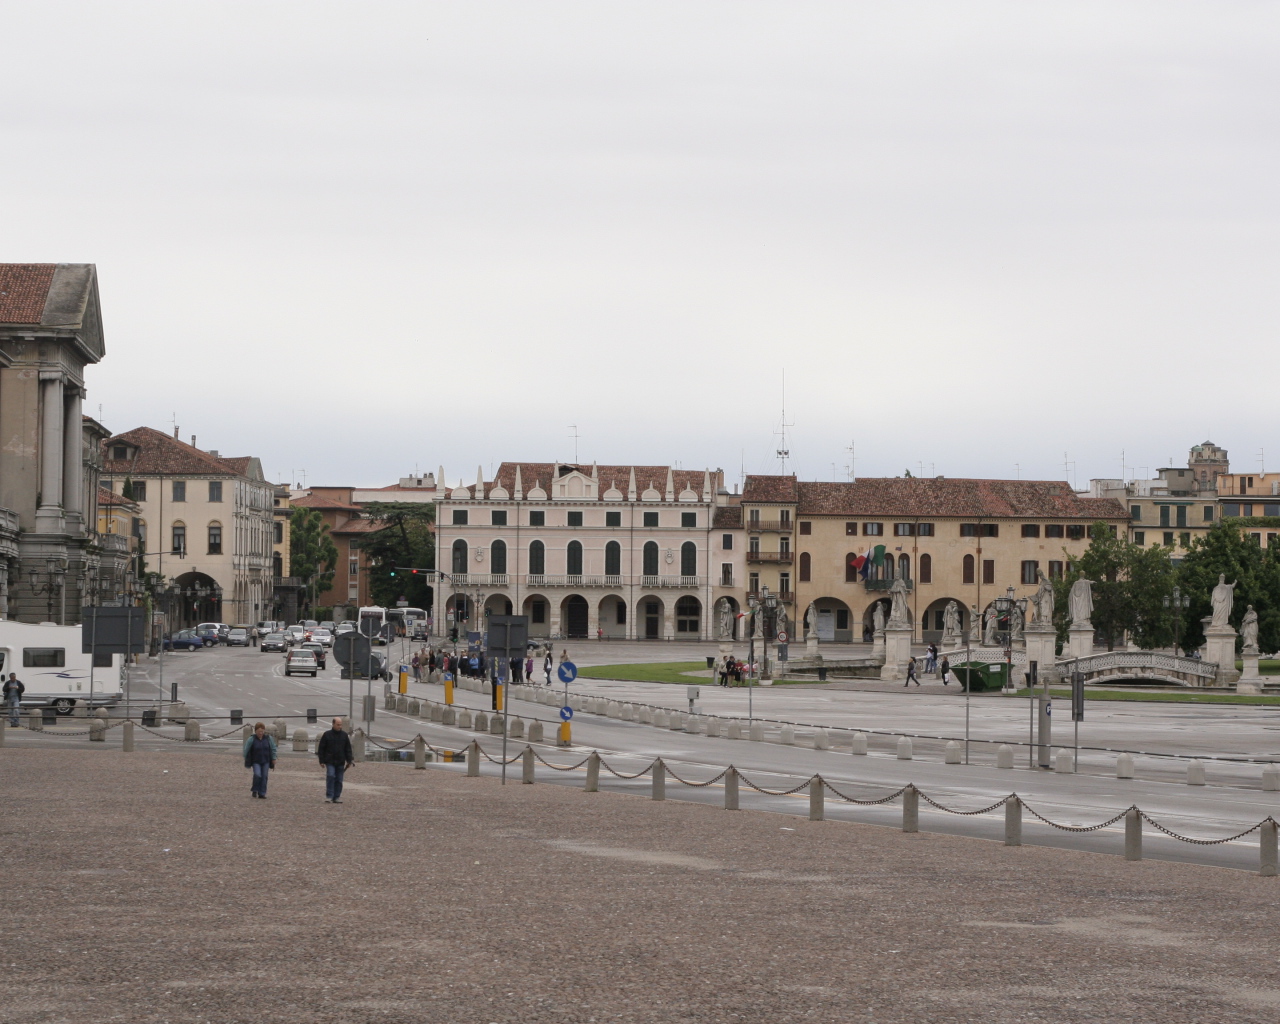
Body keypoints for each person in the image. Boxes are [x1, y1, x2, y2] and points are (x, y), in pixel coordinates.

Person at [316, 717, 354, 804]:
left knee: (339, 780)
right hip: (330, 761)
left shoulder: (344, 735)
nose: (339, 726)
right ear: (333, 724)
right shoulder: (327, 735)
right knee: (331, 775)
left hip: (340, 761)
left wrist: (349, 760)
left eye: (340, 725)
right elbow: (321, 748)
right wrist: (321, 761)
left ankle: (336, 796)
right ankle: (329, 795)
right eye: (338, 725)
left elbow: (348, 749)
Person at [243, 722, 277, 799]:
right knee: (257, 775)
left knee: (264, 776)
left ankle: (262, 793)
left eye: (262, 731)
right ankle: (255, 789)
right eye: (259, 731)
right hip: (256, 761)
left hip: (266, 761)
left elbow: (273, 748)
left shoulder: (268, 739)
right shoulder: (251, 739)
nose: (261, 733)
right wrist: (246, 758)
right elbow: (246, 749)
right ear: (256, 731)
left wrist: (274, 758)